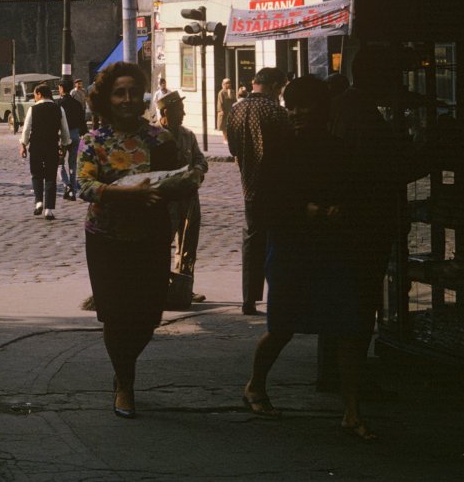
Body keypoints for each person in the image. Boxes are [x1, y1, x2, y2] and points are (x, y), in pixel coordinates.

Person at [244, 75, 390, 441]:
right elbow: (263, 205)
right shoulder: (279, 151)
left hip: (331, 249)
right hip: (291, 248)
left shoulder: (341, 150)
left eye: (303, 106)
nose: (296, 113)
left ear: (321, 109)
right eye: (291, 106)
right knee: (282, 327)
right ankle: (255, 385)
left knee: (347, 330)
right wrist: (304, 210)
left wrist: (340, 209)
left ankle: (352, 411)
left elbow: (356, 193)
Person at [78, 61, 182, 419]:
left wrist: (185, 181)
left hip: (151, 238)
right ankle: (124, 382)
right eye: (119, 93)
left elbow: (175, 180)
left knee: (149, 315)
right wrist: (127, 194)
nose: (127, 99)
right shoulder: (93, 141)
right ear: (107, 99)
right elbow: (85, 186)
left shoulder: (160, 139)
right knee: (116, 315)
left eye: (133, 93)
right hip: (106, 239)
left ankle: (124, 367)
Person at [226, 66, 289, 316]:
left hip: (249, 187)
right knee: (278, 242)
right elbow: (288, 148)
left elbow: (232, 149)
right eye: (280, 89)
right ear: (274, 86)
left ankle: (249, 299)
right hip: (277, 185)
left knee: (252, 241)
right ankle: (279, 298)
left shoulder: (235, 110)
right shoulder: (277, 111)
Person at [156, 90, 208, 302]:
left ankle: (184, 287)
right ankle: (158, 286)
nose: (184, 114)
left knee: (188, 245)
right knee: (160, 244)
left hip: (189, 199)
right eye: (180, 110)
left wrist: (198, 170)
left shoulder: (188, 135)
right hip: (165, 201)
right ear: (166, 112)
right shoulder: (153, 136)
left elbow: (201, 160)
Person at [21, 83, 70, 219]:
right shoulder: (59, 109)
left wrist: (23, 144)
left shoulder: (33, 109)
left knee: (36, 174)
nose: (34, 98)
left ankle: (38, 202)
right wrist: (64, 145)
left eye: (35, 95)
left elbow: (26, 129)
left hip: (36, 146)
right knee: (50, 176)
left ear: (39, 94)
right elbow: (65, 130)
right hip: (52, 146)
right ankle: (49, 209)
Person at [57, 78, 87, 201]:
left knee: (59, 162)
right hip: (75, 135)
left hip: (63, 136)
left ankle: (67, 185)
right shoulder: (77, 104)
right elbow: (82, 121)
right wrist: (82, 133)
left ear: (61, 88)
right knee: (73, 163)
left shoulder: (59, 104)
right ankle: (73, 190)